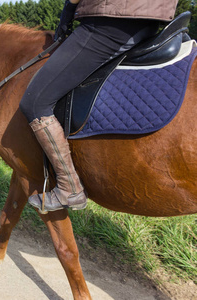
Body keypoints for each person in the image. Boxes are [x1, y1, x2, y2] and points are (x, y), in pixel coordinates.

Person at [19, 0, 179, 213]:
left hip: (109, 22)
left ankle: (70, 189)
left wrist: (68, 11)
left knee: (35, 101)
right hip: (149, 20)